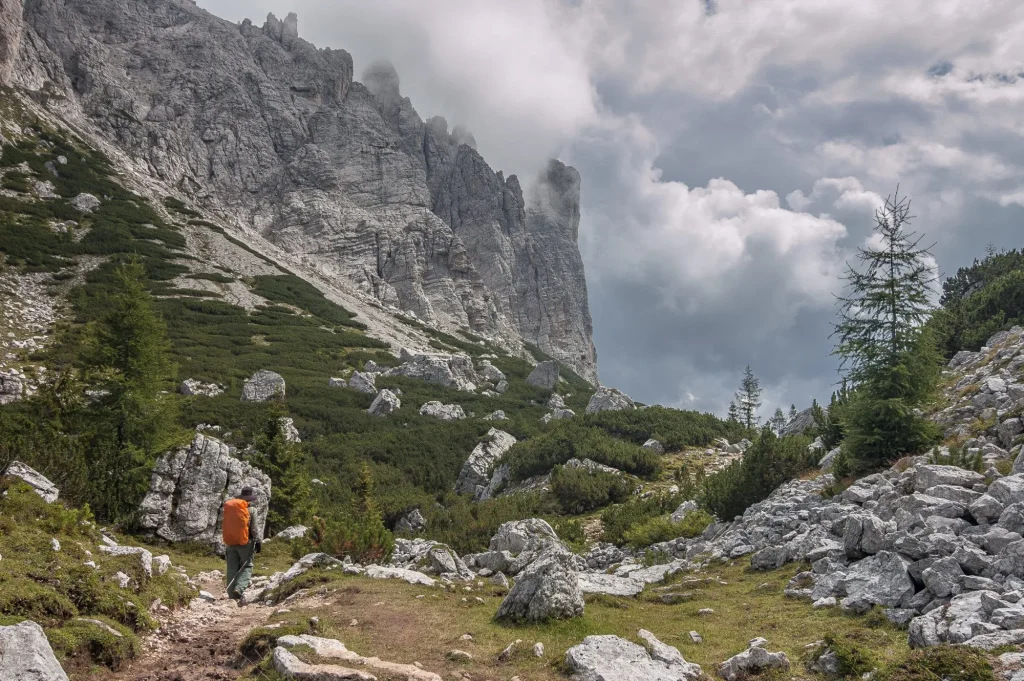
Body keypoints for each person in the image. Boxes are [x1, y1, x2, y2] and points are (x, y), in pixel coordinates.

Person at [222, 486, 262, 602]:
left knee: (232, 567)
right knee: (247, 565)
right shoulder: (252, 510)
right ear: (250, 499)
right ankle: (239, 589)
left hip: (230, 542)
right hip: (246, 542)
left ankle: (231, 594)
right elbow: (254, 529)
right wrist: (258, 541)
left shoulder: (231, 509)